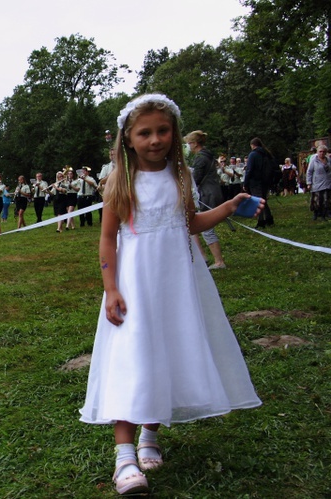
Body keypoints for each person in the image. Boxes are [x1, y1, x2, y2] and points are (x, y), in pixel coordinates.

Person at [79, 94, 263, 495]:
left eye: (163, 131)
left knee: (165, 352)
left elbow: (191, 223)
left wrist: (230, 206)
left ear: (175, 134)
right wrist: (110, 288)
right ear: (129, 139)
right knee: (135, 357)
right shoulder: (120, 182)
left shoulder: (182, 178)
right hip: (135, 285)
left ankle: (149, 435)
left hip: (177, 284)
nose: (155, 139)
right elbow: (107, 239)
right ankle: (124, 457)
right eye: (145, 133)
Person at [185, 130, 226, 270]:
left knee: (207, 228)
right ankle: (203, 256)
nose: (188, 146)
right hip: (212, 190)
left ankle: (219, 261)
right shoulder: (207, 155)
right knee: (196, 223)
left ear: (195, 143)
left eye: (189, 143)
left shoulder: (201, 158)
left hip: (207, 193)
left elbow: (195, 179)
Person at [243, 137, 275, 228]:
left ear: (252, 145)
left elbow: (249, 169)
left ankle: (261, 220)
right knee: (263, 199)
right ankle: (269, 218)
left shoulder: (253, 155)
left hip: (255, 181)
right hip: (265, 180)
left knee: (257, 200)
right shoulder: (266, 154)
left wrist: (246, 183)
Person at [306, 144, 330, 221]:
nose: (322, 153)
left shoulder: (329, 160)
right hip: (317, 183)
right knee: (317, 200)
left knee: (326, 200)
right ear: (317, 152)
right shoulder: (314, 161)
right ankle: (315, 214)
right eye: (320, 151)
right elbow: (309, 172)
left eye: (323, 152)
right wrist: (309, 183)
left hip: (327, 182)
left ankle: (323, 215)